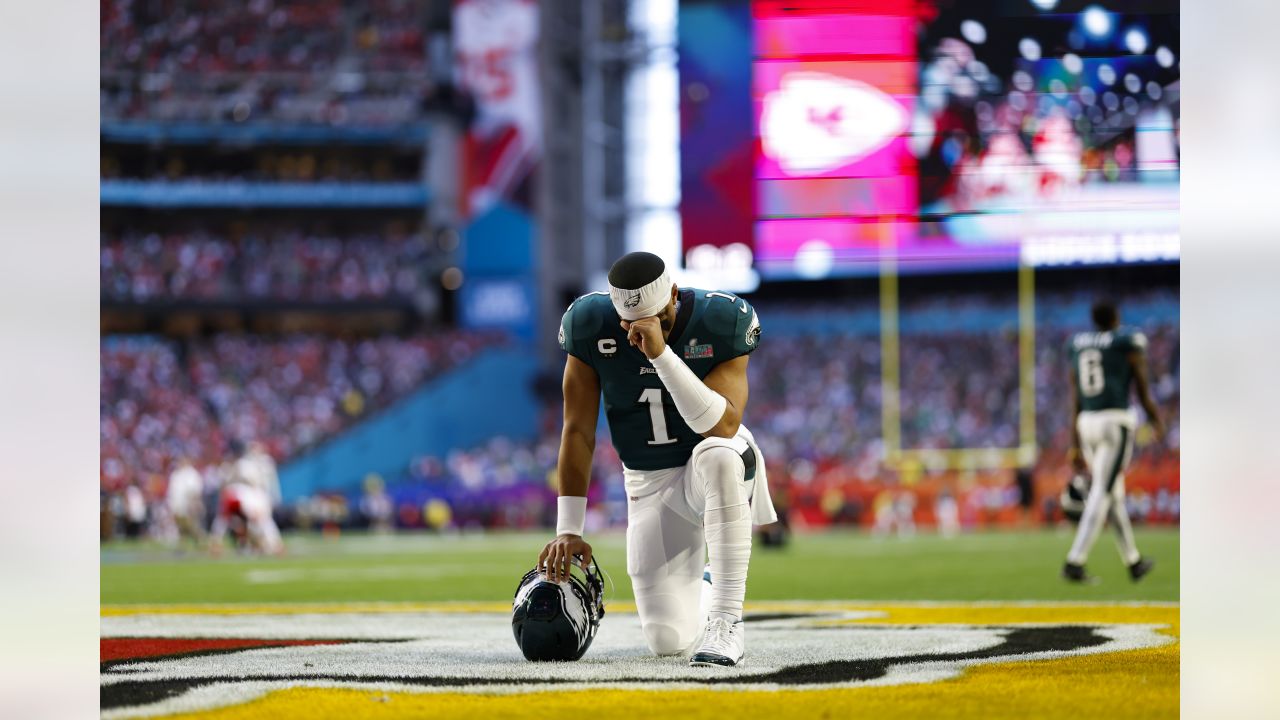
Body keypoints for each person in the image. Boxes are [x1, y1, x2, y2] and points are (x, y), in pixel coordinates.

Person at [539, 252, 775, 667]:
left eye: (657, 318)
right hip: (649, 482)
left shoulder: (722, 319)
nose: (641, 331)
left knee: (718, 455)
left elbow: (721, 425)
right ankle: (703, 581)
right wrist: (568, 529)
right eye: (630, 323)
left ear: (675, 295)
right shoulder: (589, 323)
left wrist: (661, 354)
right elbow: (577, 430)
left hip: (715, 459)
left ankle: (727, 622)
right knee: (667, 638)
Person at [1062, 300, 1165, 583]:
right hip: (1114, 423)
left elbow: (1075, 398)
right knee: (1101, 492)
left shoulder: (1078, 344)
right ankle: (1075, 561)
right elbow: (1142, 389)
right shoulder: (1127, 341)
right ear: (1116, 317)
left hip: (1086, 424)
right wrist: (1156, 420)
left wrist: (1073, 441)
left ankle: (1133, 560)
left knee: (1113, 492)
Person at [166, 457, 206, 548]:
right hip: (177, 504)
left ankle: (199, 540)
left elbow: (195, 490)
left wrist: (194, 503)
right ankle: (186, 543)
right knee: (181, 526)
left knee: (189, 524)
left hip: (187, 504)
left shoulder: (191, 474)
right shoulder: (176, 474)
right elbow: (172, 491)